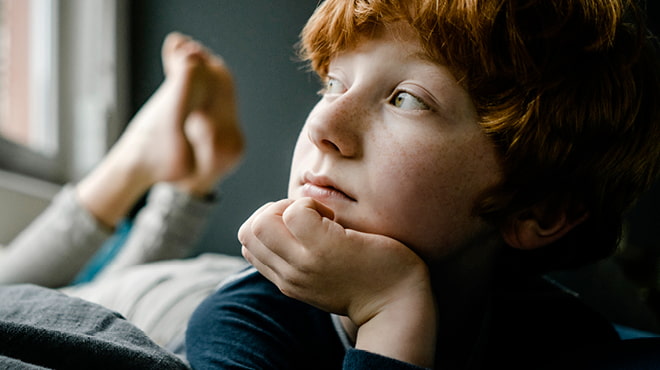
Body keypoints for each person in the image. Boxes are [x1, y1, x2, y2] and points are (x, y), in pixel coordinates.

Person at [182, 0, 660, 369]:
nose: (323, 124)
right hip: (170, 291)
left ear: (537, 210)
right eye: (333, 84)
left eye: (407, 99)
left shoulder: (564, 338)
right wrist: (389, 310)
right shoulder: (244, 325)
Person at [0, 33, 246, 368]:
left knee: (33, 306)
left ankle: (172, 179)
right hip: (227, 303)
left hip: (220, 295)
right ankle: (142, 167)